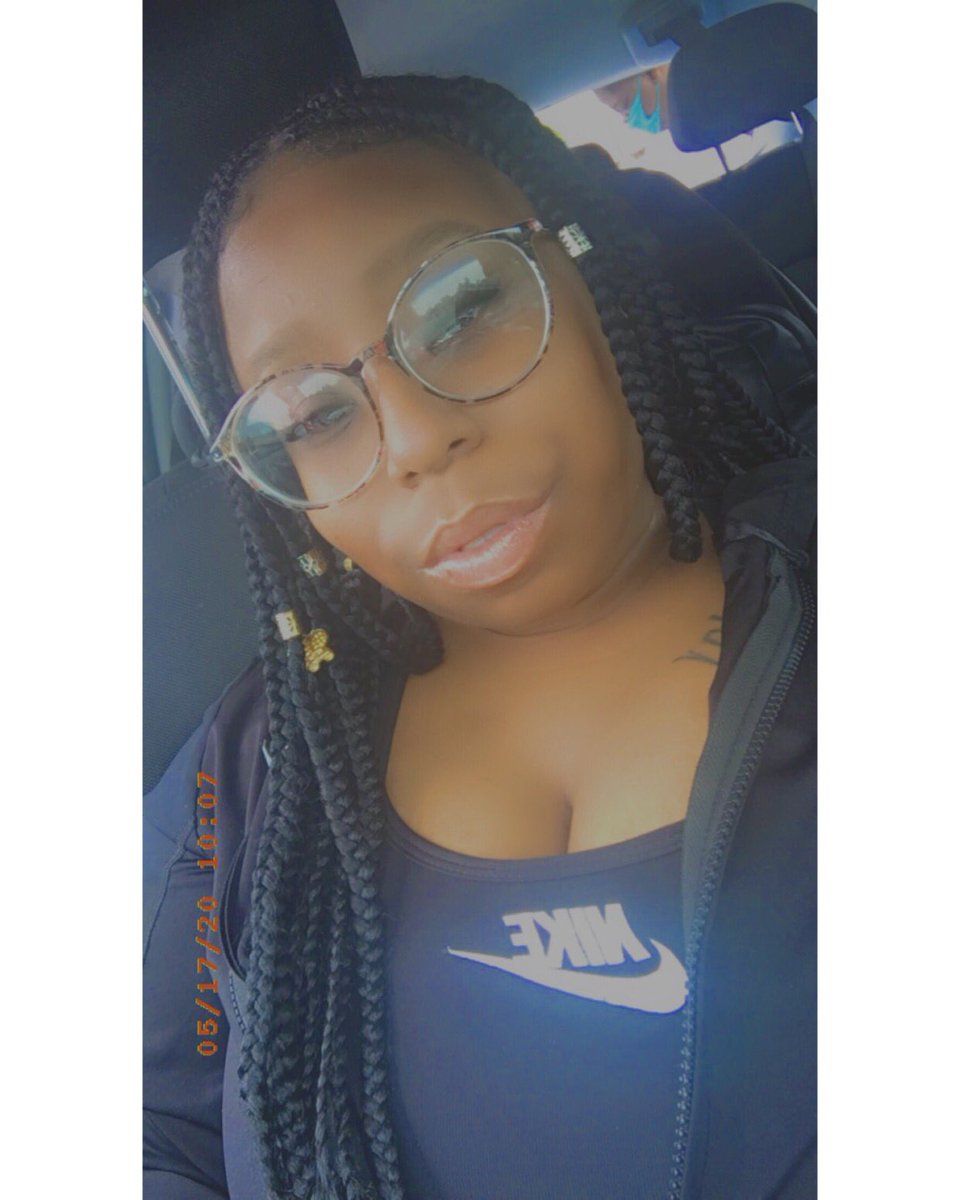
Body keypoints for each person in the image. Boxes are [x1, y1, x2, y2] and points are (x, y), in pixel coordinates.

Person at [143, 74, 816, 1200]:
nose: (413, 439)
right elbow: (152, 1128)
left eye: (459, 308)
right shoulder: (257, 769)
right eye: (312, 414)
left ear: (591, 267)